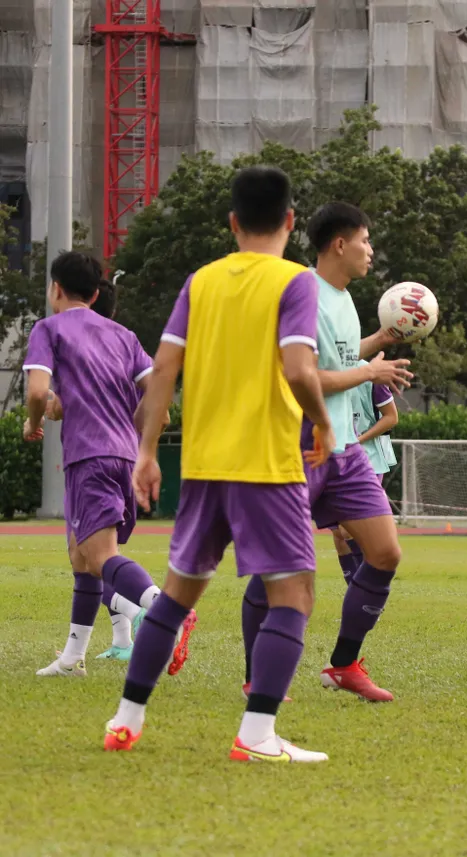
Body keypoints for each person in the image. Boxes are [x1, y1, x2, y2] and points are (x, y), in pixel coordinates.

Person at [102, 165, 337, 762]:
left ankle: (126, 718)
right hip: (266, 465)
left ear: (232, 222)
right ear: (289, 221)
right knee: (294, 597)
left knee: (179, 596)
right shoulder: (296, 281)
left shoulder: (201, 281)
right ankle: (257, 735)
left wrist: (149, 450)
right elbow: (298, 369)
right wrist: (325, 421)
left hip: (204, 466)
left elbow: (162, 371)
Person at [240, 201, 411, 704]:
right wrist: (370, 373)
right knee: (277, 567)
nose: (370, 251)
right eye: (366, 240)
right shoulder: (302, 293)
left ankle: (343, 664)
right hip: (295, 446)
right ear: (340, 244)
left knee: (384, 552)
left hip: (342, 448)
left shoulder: (342, 297)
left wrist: (378, 343)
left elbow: (336, 356)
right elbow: (304, 377)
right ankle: (256, 676)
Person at [22, 252, 174, 674]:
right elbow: (158, 404)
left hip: (87, 455)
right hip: (123, 457)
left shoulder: (49, 328)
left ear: (56, 289)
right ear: (94, 293)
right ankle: (73, 657)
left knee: (99, 556)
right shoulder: (123, 335)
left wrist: (33, 422)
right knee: (80, 557)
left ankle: (162, 609)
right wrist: (140, 443)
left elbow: (37, 392)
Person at [329, 364, 399, 585]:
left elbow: (391, 417)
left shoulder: (372, 374)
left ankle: (366, 589)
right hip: (331, 457)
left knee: (350, 530)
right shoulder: (324, 366)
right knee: (339, 535)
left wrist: (357, 439)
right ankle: (355, 591)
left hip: (368, 459)